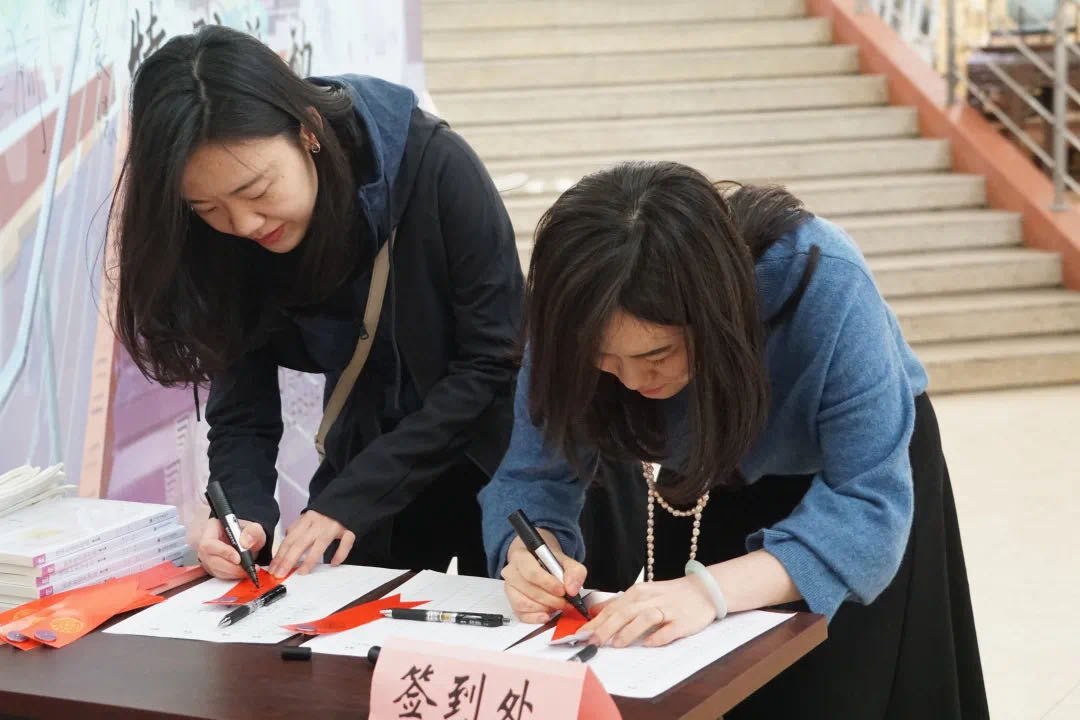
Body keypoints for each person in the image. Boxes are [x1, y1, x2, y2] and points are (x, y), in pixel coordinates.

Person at [479, 161, 989, 718]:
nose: (631, 380)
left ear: (715, 313)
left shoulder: (823, 279)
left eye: (657, 354)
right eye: (603, 358)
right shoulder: (573, 307)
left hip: (851, 480)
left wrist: (707, 590)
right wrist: (533, 553)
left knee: (843, 687)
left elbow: (869, 506)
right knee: (700, 684)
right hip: (707, 473)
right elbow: (532, 474)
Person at [109, 25, 523, 580]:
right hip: (375, 472)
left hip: (501, 464)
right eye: (208, 208)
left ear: (308, 131)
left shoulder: (436, 168)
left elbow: (492, 362)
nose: (244, 224)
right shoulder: (221, 242)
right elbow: (241, 402)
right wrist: (241, 516)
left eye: (257, 191)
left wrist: (352, 495)